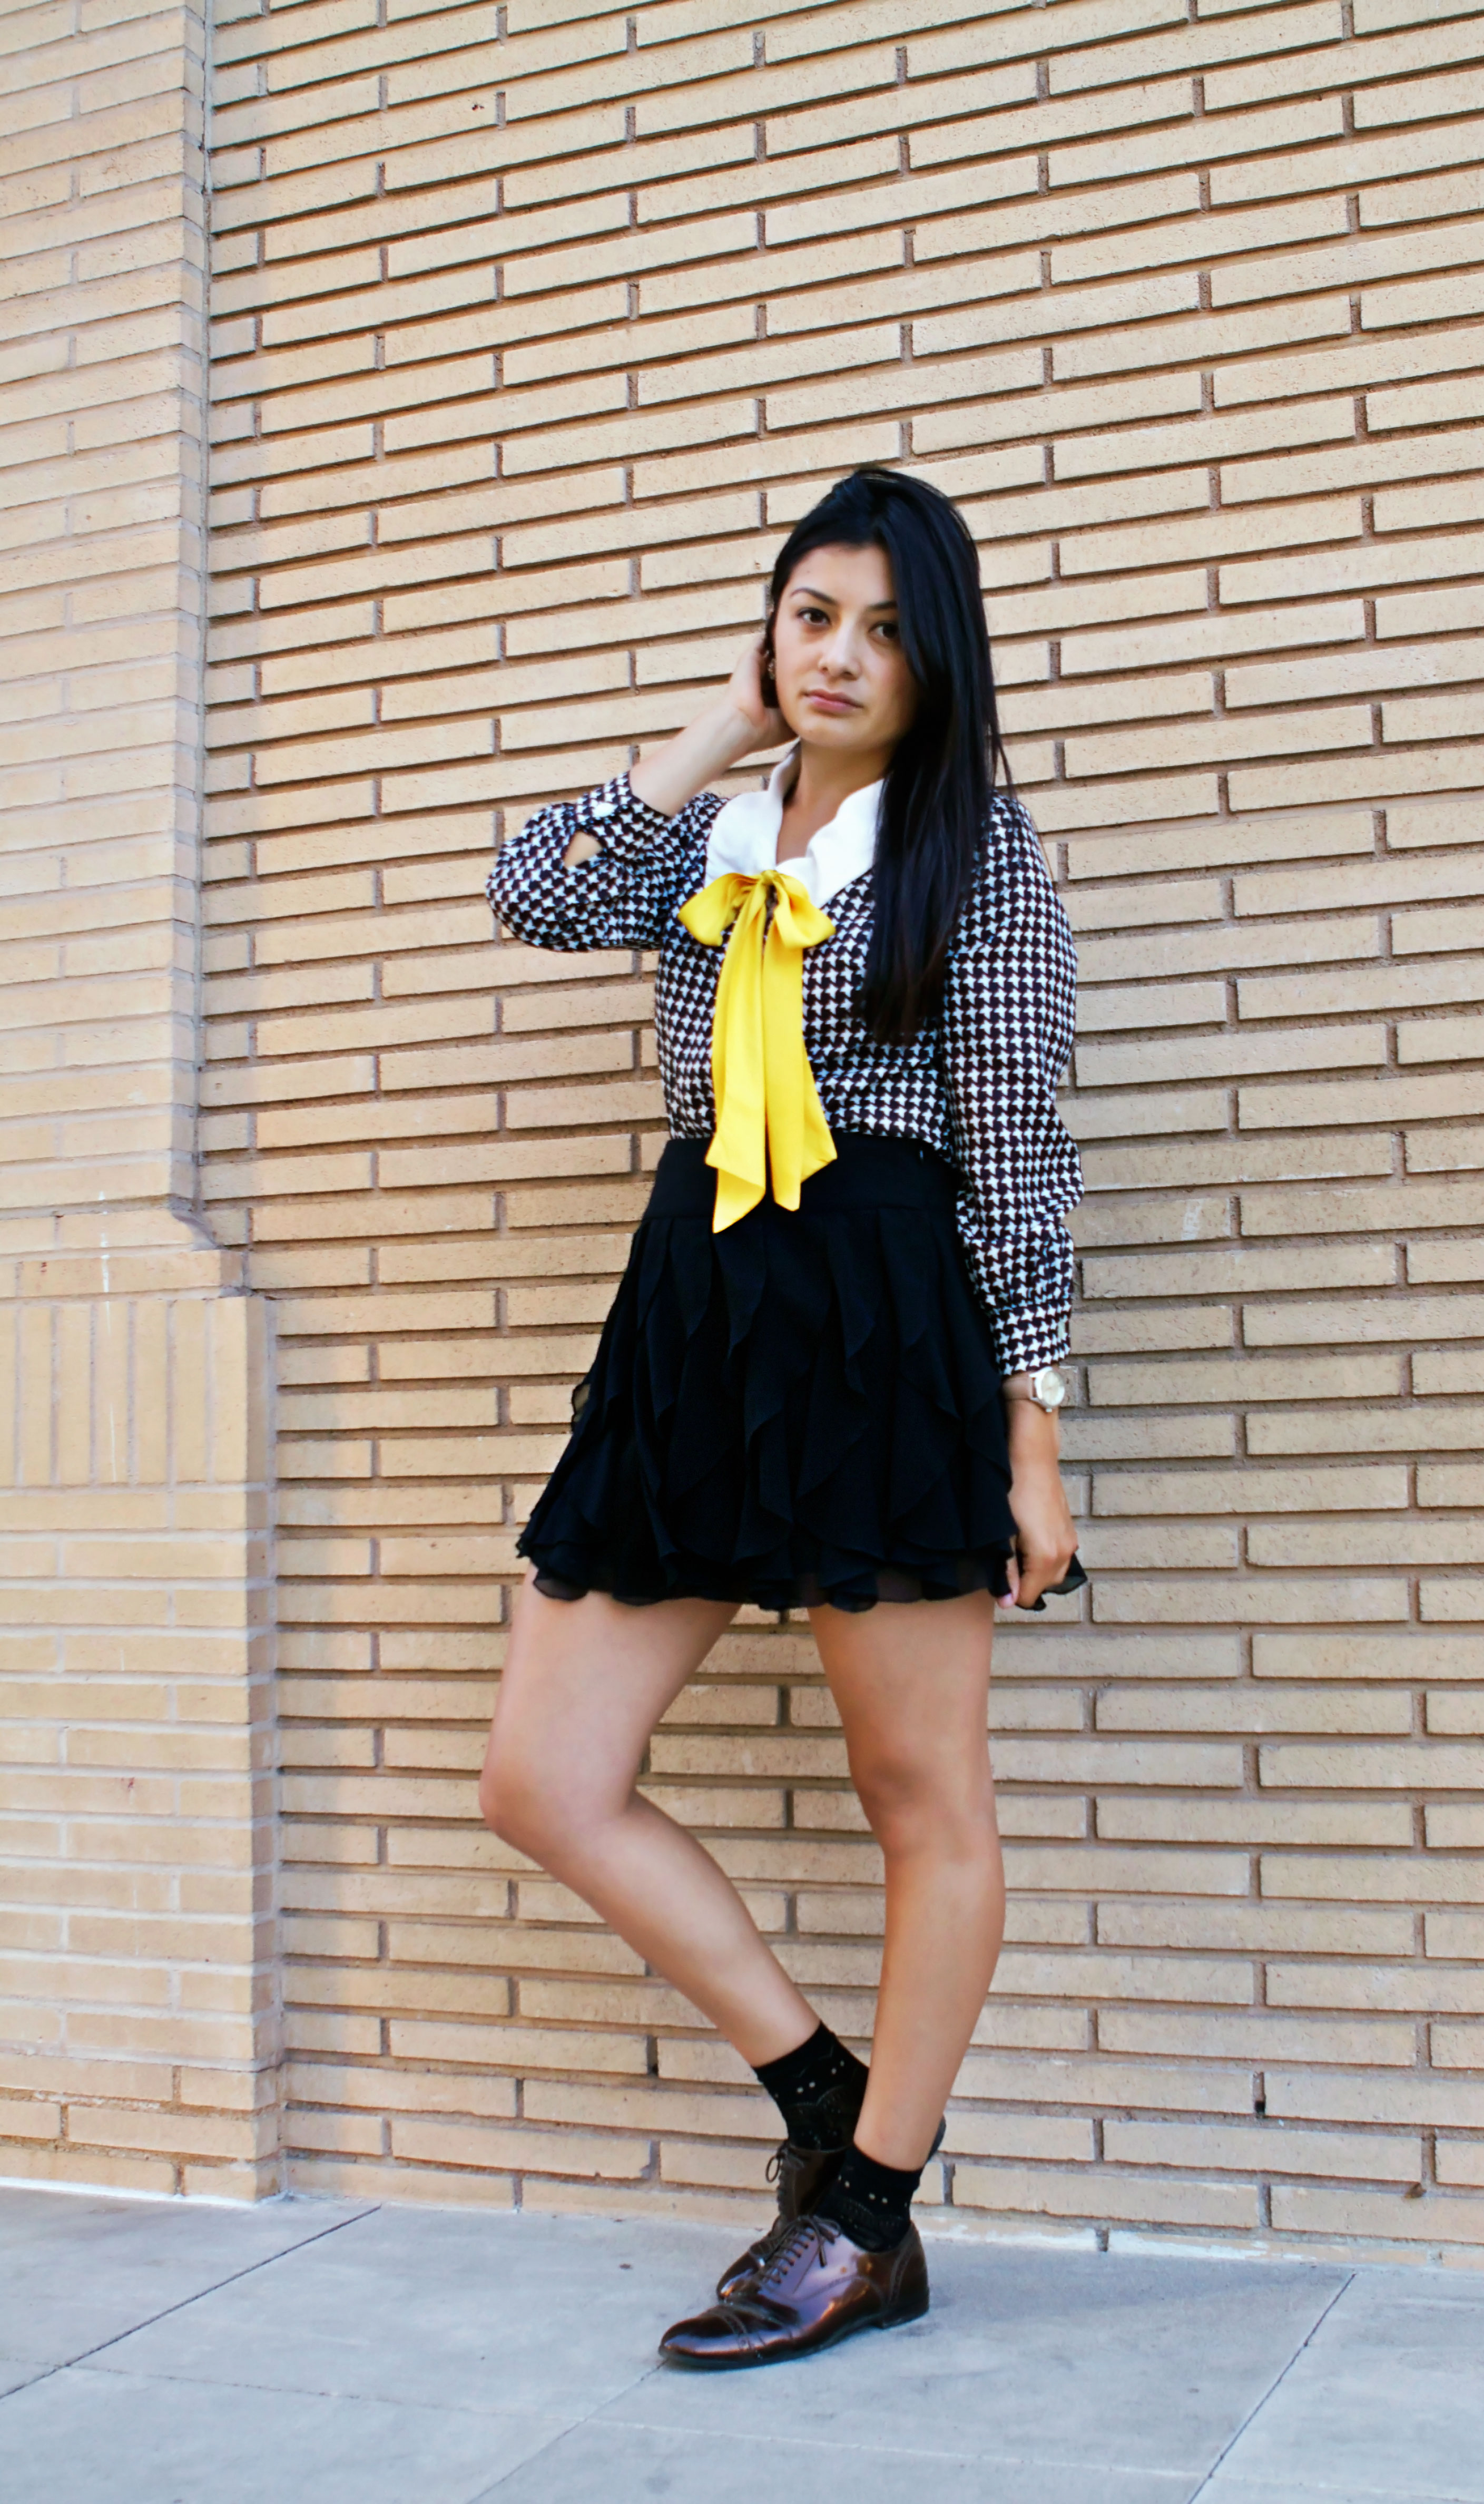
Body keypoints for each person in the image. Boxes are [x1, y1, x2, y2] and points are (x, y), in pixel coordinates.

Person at [478, 467, 1084, 2369]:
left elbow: (1020, 1149)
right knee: (542, 1777)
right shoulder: (710, 836)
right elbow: (533, 893)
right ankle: (824, 2102)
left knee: (924, 1795)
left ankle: (871, 2223)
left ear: (938, 664)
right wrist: (715, 730)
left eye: (887, 632)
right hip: (697, 1312)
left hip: (886, 1314)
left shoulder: (977, 855)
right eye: (814, 615)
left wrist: (1032, 1433)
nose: (841, 656)